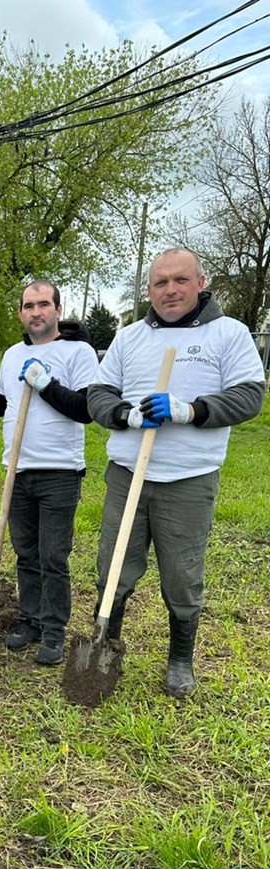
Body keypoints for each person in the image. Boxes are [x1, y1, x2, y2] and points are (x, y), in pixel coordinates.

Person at [87, 247, 266, 697]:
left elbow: (249, 397)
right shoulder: (129, 338)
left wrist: (190, 410)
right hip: (128, 474)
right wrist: (125, 415)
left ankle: (180, 660)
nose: (170, 290)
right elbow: (98, 395)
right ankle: (103, 646)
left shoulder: (229, 334)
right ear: (148, 290)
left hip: (187, 480)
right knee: (113, 568)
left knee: (182, 577)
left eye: (180, 280)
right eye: (161, 282)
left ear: (200, 283)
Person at [0, 280, 99, 665]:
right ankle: (30, 621)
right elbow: (5, 403)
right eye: (28, 305)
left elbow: (85, 410)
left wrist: (46, 384)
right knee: (25, 554)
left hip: (59, 472)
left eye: (43, 304)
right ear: (21, 313)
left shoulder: (79, 352)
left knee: (53, 556)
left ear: (57, 309)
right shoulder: (11, 355)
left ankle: (54, 633)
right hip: (17, 471)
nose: (36, 312)